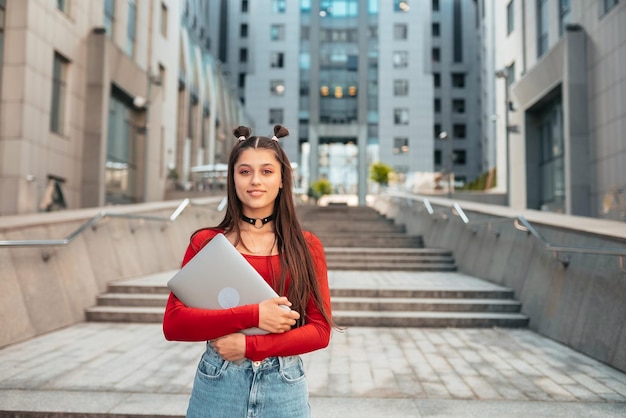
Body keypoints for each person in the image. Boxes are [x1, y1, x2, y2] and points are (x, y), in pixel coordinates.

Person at [163, 125, 335, 418]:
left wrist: (249, 344)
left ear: (282, 179)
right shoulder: (207, 243)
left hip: (284, 384)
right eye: (245, 172)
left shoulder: (306, 246)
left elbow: (320, 331)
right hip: (219, 382)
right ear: (233, 179)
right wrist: (255, 315)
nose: (255, 181)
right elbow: (174, 324)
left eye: (267, 171)